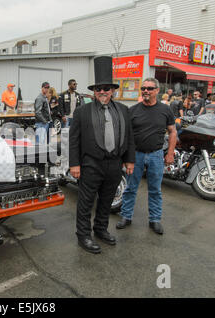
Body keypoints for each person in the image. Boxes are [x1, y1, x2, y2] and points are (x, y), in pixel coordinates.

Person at [69, 56, 135, 254]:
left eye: (107, 88)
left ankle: (100, 230)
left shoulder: (123, 110)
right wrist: (74, 164)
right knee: (86, 202)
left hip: (114, 164)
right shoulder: (82, 111)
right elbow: (74, 140)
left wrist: (129, 159)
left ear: (113, 90)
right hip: (91, 163)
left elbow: (130, 136)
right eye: (99, 89)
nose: (103, 92)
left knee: (107, 200)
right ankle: (83, 235)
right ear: (94, 91)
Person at [117, 78, 177, 235]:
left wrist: (170, 153)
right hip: (135, 155)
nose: (146, 91)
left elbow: (173, 132)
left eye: (150, 88)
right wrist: (125, 157)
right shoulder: (133, 110)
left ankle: (155, 220)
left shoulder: (165, 110)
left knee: (155, 190)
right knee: (130, 188)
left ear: (157, 90)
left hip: (156, 155)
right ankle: (126, 216)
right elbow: (125, 135)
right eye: (143, 88)